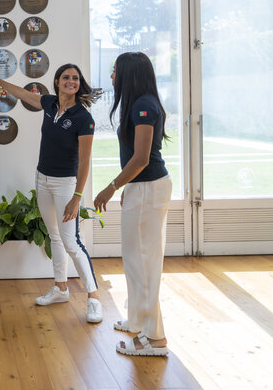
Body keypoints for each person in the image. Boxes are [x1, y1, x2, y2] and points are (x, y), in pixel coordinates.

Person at [0, 64, 103, 323]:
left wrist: (78, 196)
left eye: (75, 78)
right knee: (54, 236)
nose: (71, 81)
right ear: (57, 81)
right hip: (43, 179)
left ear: (79, 84)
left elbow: (84, 162)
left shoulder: (84, 118)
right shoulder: (49, 104)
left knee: (72, 242)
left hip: (66, 185)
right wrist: (0, 81)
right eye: (66, 78)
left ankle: (93, 298)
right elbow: (25, 95)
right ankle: (61, 289)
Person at [93, 51, 172, 357]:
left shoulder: (143, 106)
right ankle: (139, 320)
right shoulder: (141, 104)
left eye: (115, 72)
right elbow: (138, 160)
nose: (112, 76)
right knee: (136, 259)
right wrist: (130, 186)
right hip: (144, 188)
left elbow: (141, 158)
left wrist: (112, 187)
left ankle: (154, 338)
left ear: (129, 75)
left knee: (143, 263)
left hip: (149, 188)